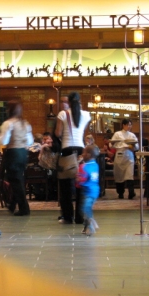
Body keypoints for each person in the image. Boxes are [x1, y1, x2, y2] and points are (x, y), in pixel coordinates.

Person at [55, 91, 91, 224]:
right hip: (82, 152)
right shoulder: (87, 115)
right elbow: (83, 134)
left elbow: (58, 132)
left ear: (68, 102)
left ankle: (68, 216)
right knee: (81, 185)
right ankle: (80, 217)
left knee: (65, 188)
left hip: (67, 151)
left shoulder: (63, 114)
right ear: (79, 101)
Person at [0, 100, 34, 216]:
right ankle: (12, 205)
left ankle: (24, 208)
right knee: (17, 179)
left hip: (13, 153)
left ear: (9, 110)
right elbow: (30, 141)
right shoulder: (25, 123)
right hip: (23, 153)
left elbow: (4, 141)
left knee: (15, 180)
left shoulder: (8, 123)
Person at [111, 119, 138, 199]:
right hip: (120, 155)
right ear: (123, 125)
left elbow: (137, 146)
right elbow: (112, 144)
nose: (129, 126)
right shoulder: (117, 134)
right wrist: (122, 145)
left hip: (129, 156)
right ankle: (120, 193)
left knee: (129, 175)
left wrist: (132, 146)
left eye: (130, 125)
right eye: (127, 125)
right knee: (119, 176)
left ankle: (131, 192)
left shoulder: (132, 135)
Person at [76, 144, 100, 236]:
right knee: (88, 207)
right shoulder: (95, 164)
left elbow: (82, 179)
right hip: (95, 190)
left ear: (89, 155)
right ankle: (86, 226)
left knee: (85, 208)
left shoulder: (84, 166)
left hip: (88, 191)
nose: (82, 154)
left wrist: (78, 179)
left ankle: (91, 224)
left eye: (84, 153)